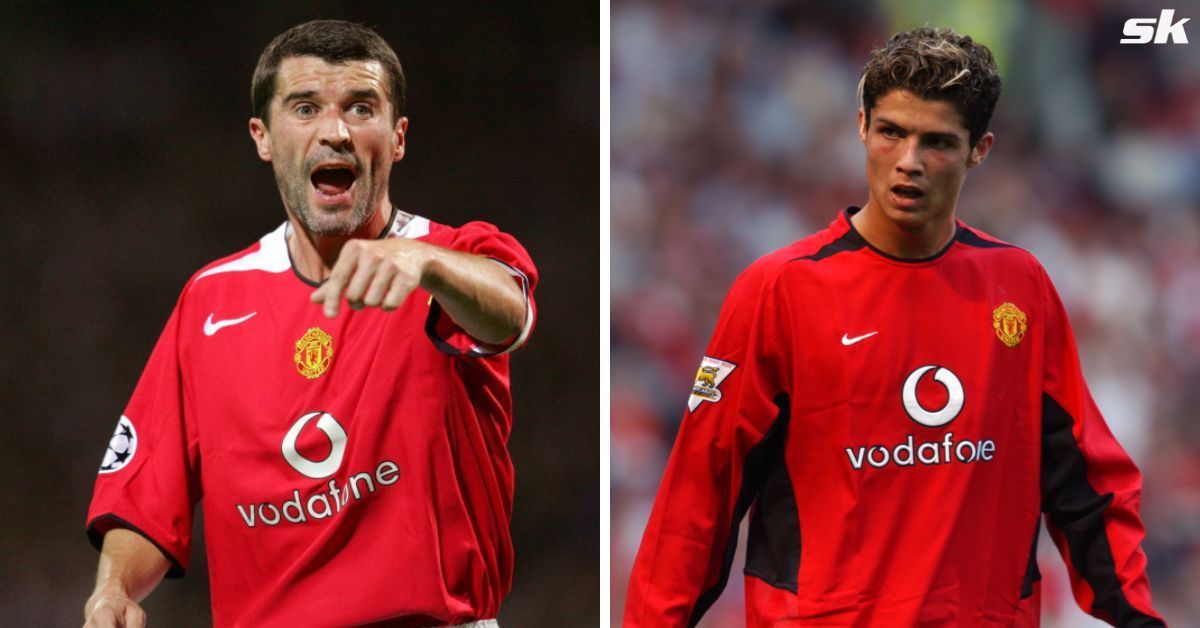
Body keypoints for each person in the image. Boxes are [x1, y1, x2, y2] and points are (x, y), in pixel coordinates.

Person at [625, 27, 1163, 627]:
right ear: (862, 128)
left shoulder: (1020, 286)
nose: (909, 162)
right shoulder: (779, 291)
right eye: (891, 133)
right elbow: (698, 499)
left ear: (979, 149)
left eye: (936, 142)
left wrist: (1139, 618)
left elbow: (1087, 487)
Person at [83, 20, 536, 628]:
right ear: (262, 137)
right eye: (305, 108)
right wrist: (115, 589)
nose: (337, 131)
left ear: (398, 137)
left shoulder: (452, 258)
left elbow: (511, 312)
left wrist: (428, 263)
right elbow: (145, 493)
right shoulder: (210, 299)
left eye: (361, 108)